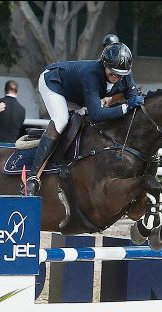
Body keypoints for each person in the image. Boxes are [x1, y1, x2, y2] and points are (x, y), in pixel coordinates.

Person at [24, 42, 144, 196]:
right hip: (54, 82)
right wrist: (126, 106)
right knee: (61, 120)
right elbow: (97, 115)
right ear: (103, 65)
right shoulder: (92, 74)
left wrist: (132, 103)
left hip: (77, 94)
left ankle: (66, 162)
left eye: (120, 74)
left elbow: (134, 99)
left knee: (84, 123)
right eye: (112, 72)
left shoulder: (125, 75)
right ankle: (33, 176)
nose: (116, 77)